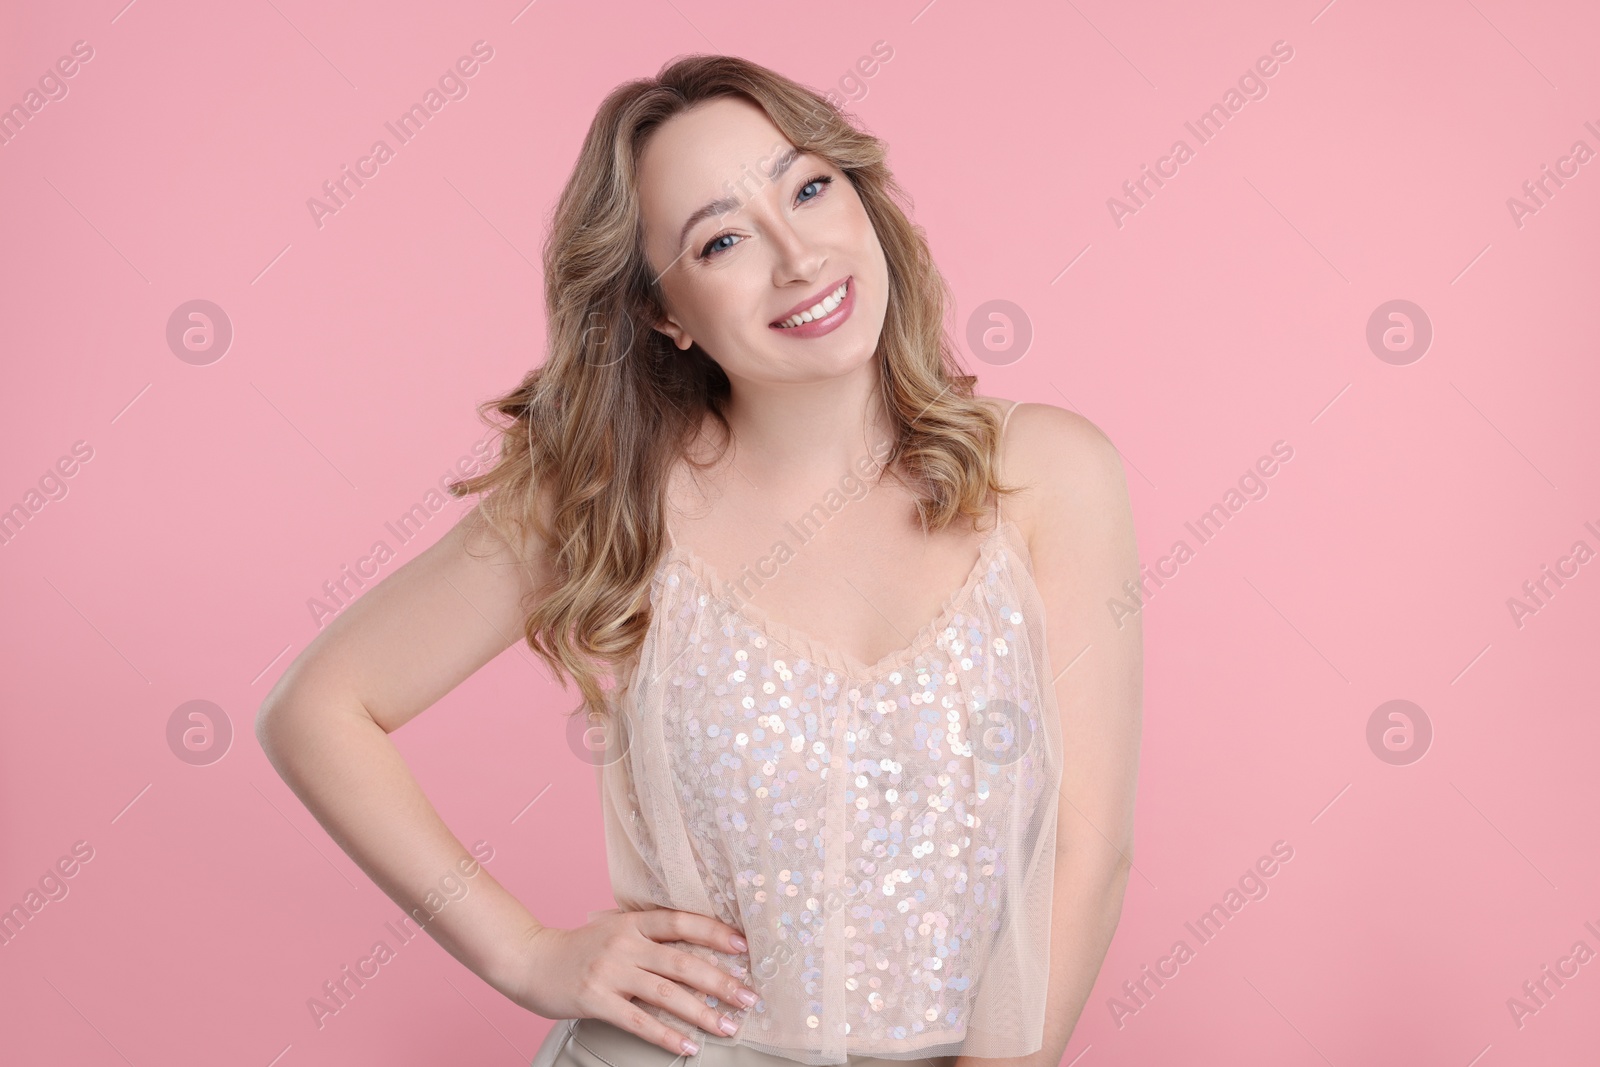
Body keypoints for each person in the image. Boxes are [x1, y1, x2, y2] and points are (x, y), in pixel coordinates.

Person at [256, 53, 1142, 1067]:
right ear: (662, 313)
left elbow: (1085, 850)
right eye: (721, 239)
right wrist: (522, 951)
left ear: (862, 199)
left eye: (810, 187)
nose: (799, 257)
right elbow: (317, 707)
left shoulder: (1048, 470)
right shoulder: (607, 490)